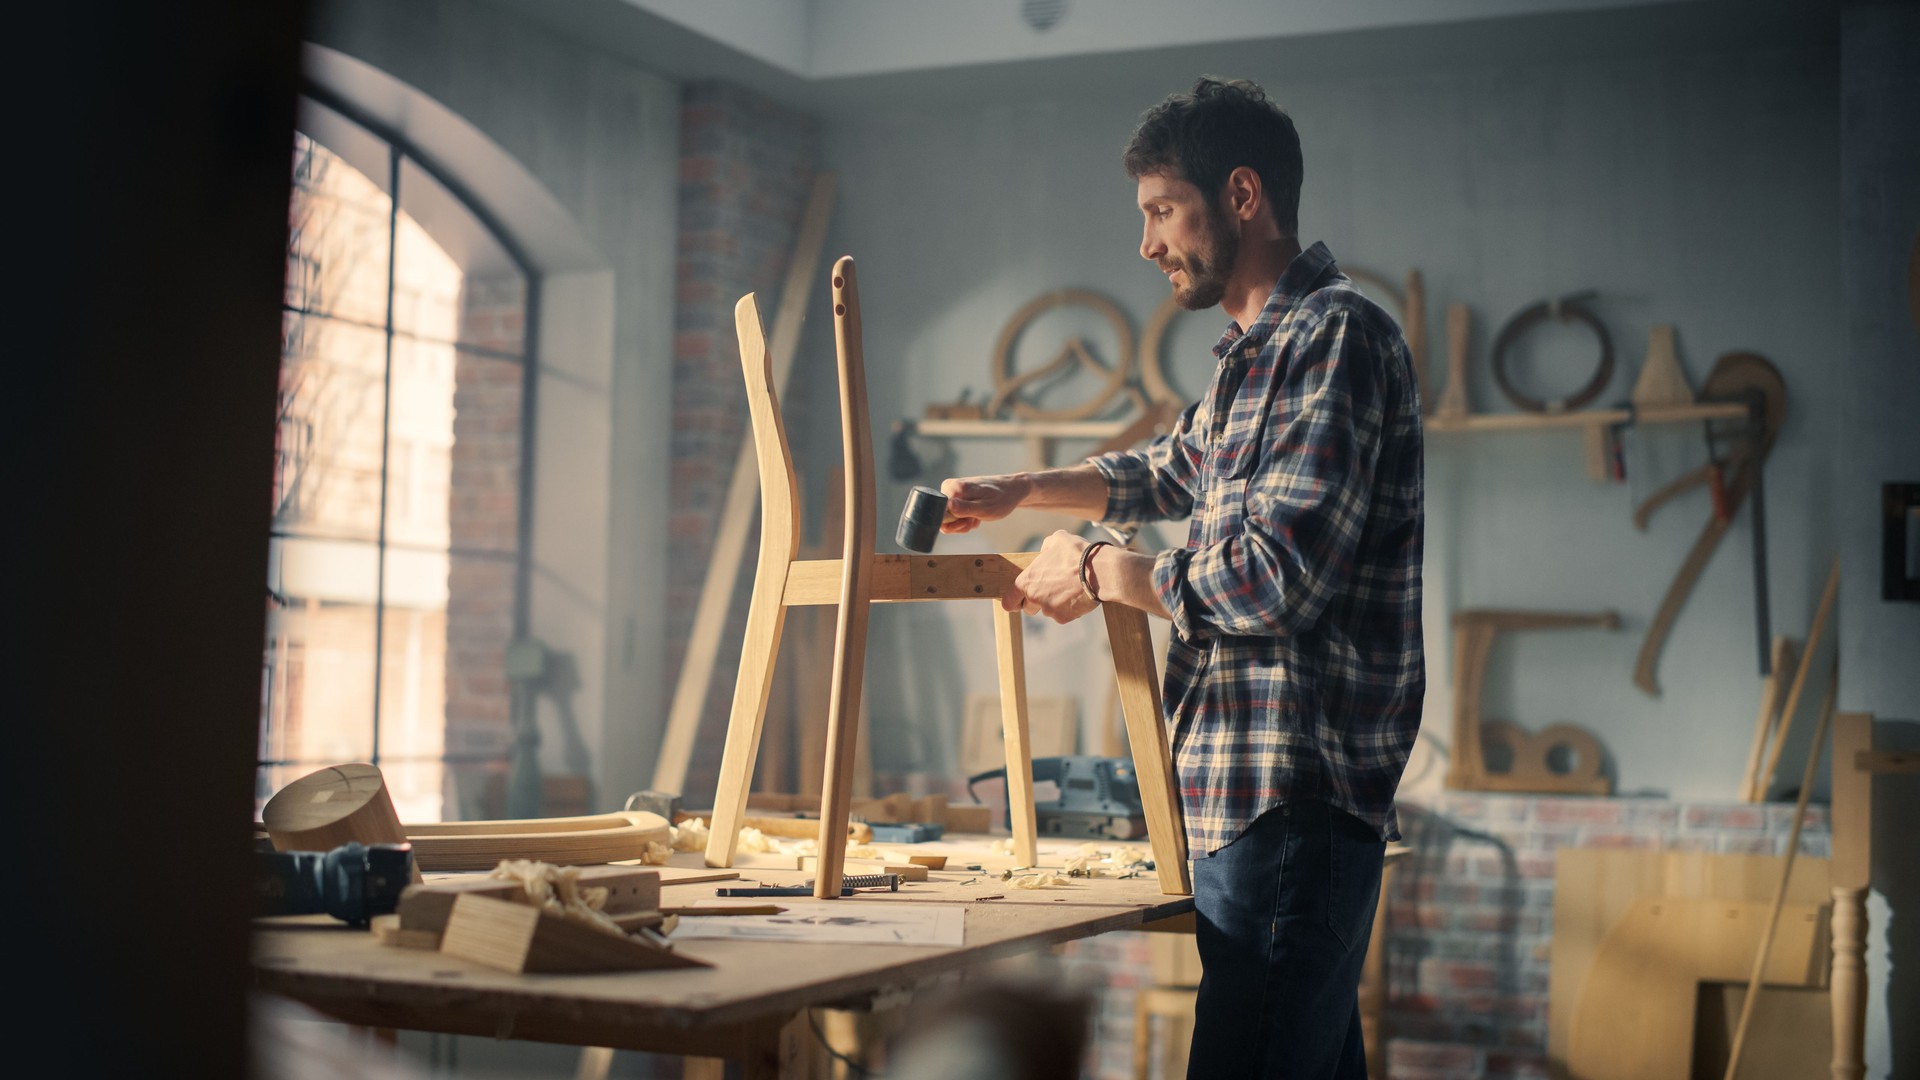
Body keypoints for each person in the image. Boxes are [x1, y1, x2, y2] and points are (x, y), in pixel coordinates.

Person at [940, 76, 1424, 1079]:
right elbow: (1167, 466)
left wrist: (1100, 570)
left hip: (1287, 803)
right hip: (1245, 805)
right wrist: (1023, 487)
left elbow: (1274, 578)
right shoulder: (1254, 358)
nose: (1149, 243)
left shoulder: (1332, 336)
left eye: (1163, 210)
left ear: (1241, 196)